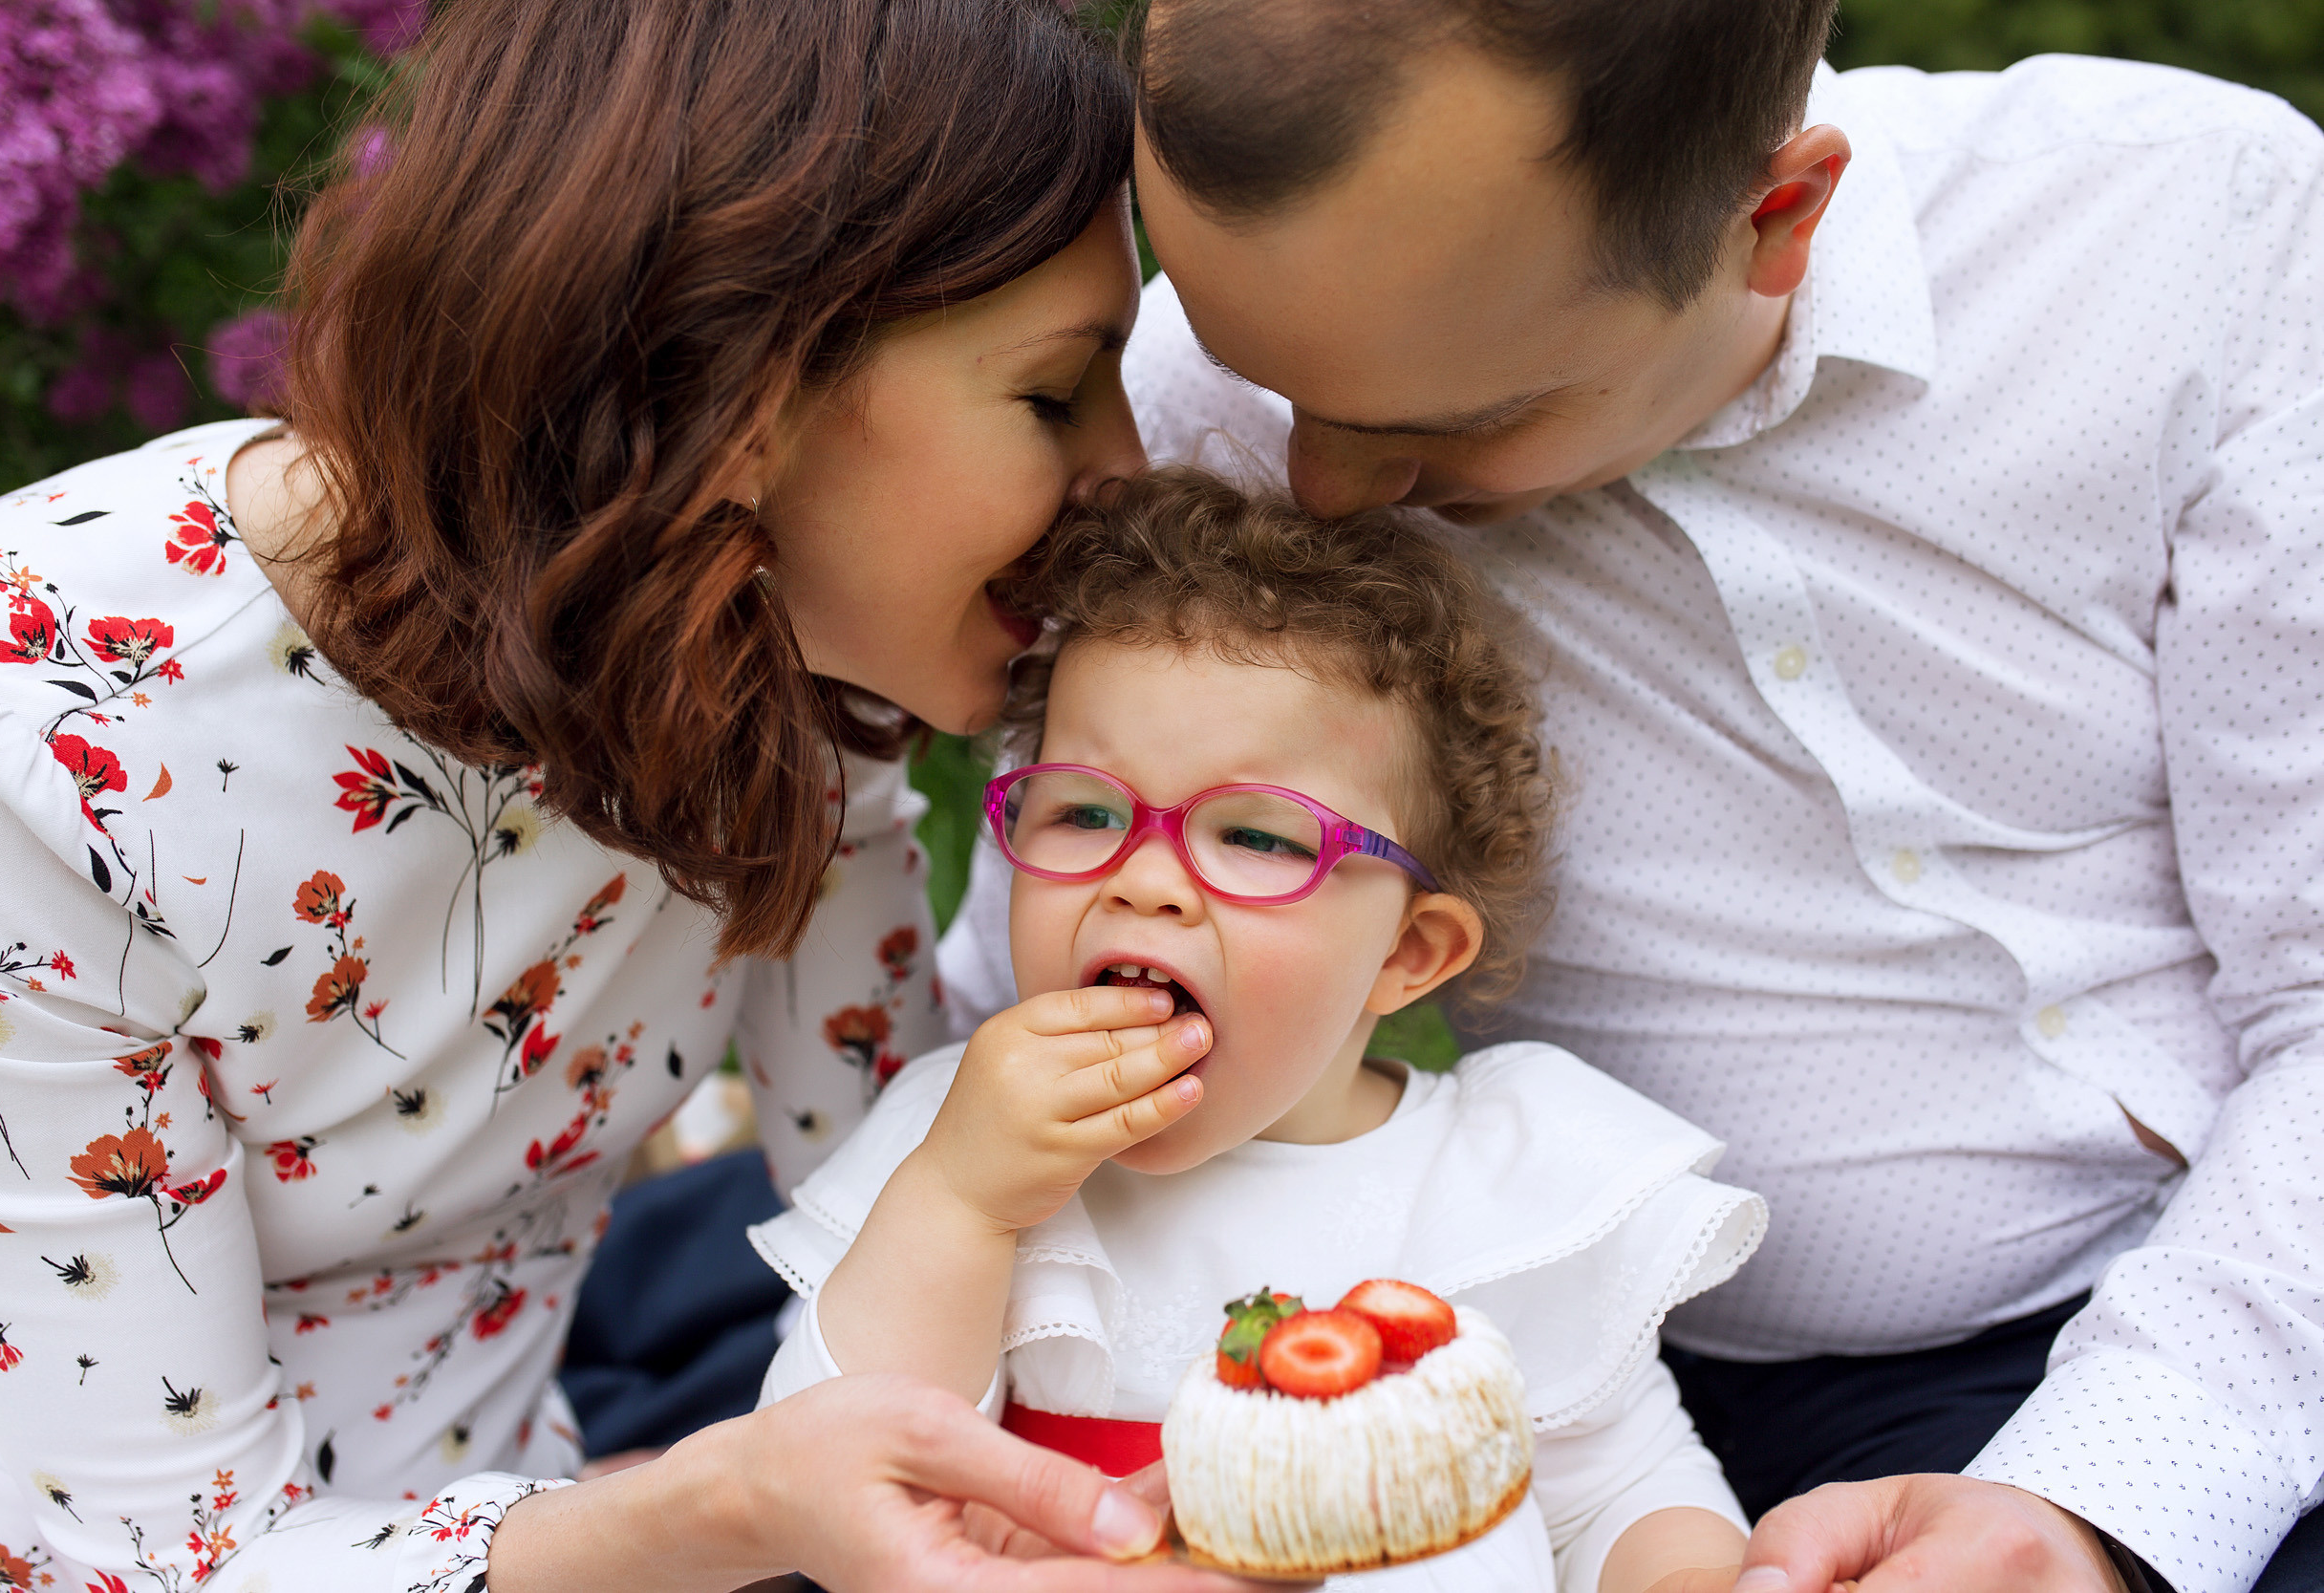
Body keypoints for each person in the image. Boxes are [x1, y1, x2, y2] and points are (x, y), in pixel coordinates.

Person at [937, 3, 2324, 1591]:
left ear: (1776, 217)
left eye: (1445, 422)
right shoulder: (1210, 393)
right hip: (1573, 1369)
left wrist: (2103, 1494)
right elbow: (1041, 962)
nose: (1315, 487)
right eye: (1265, 381)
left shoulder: (2191, 243)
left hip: (2236, 1307)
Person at [0, 1, 1261, 1589]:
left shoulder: (765, 638)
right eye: (1055, 393)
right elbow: (152, 1556)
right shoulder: (33, 733)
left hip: (561, 1507)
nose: (1130, 466)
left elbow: (912, 1184)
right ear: (740, 390)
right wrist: (718, 1509)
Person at [753, 468, 1775, 1593]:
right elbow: (813, 1483)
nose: (1145, 881)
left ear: (1405, 953)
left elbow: (1626, 1494)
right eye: (1087, 810)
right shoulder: (957, 1145)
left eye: (1255, 837)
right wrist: (958, 1201)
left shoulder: (1504, 1177)